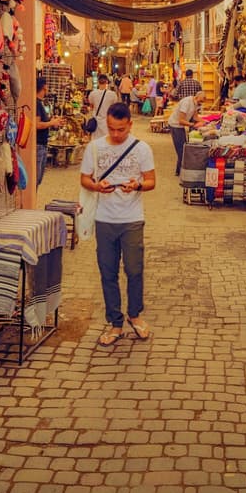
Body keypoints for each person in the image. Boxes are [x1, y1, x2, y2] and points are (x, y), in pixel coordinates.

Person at [80, 102, 156, 347]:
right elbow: (84, 179)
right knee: (107, 272)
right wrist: (96, 186)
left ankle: (135, 314)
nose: (115, 134)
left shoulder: (142, 149)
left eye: (121, 129)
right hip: (104, 219)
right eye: (111, 128)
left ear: (130, 125)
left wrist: (137, 185)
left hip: (132, 218)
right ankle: (115, 322)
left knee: (134, 270)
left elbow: (152, 181)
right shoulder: (94, 148)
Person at [167, 91, 206, 176]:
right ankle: (180, 172)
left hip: (179, 126)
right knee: (181, 150)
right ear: (196, 97)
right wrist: (193, 125)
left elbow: (195, 117)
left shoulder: (195, 103)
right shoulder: (186, 102)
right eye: (200, 101)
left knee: (184, 148)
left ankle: (180, 170)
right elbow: (181, 121)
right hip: (175, 125)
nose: (201, 103)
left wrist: (205, 121)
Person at [35, 77, 63, 186]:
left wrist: (53, 121)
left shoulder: (40, 103)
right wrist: (51, 123)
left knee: (38, 179)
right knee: (36, 180)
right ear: (44, 87)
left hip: (42, 144)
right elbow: (37, 124)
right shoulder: (37, 103)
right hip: (38, 145)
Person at [87, 74, 119, 138]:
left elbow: (91, 105)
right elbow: (115, 107)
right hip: (107, 121)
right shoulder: (112, 94)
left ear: (98, 82)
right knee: (107, 140)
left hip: (96, 121)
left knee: (96, 142)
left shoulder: (92, 93)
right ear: (107, 82)